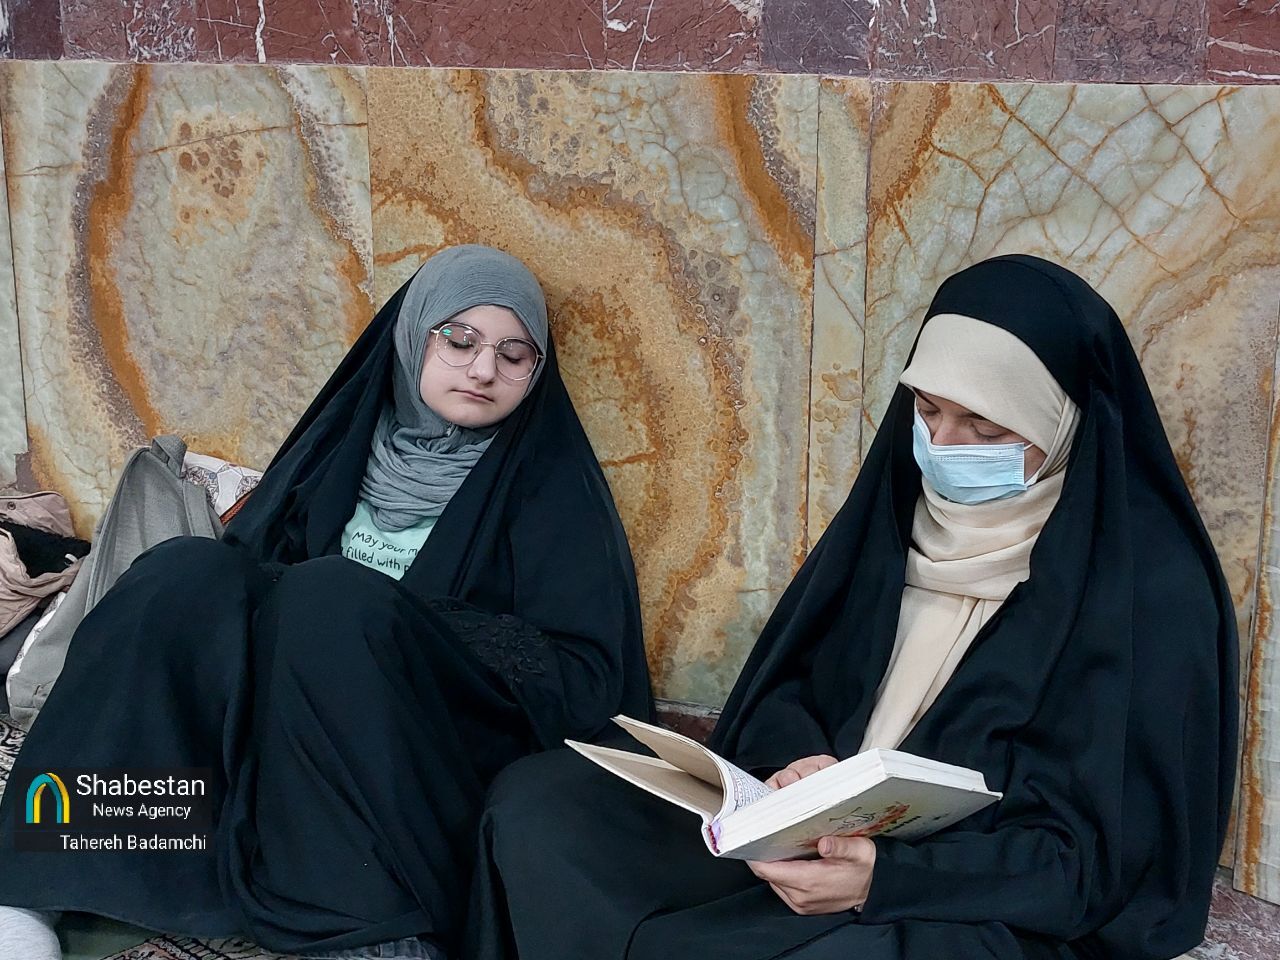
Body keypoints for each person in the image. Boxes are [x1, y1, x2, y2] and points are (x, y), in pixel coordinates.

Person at [465, 254, 1237, 960]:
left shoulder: (1148, 597)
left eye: (985, 427)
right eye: (927, 410)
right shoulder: (895, 519)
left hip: (964, 899)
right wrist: (797, 767)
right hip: (808, 848)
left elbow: (1104, 859)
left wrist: (886, 880)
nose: (944, 445)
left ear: (1064, 424)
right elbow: (787, 691)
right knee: (543, 805)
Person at [0, 245, 653, 960]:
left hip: (425, 751)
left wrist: (393, 624)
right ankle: (36, 885)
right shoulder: (342, 444)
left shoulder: (549, 487)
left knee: (331, 596)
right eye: (460, 340)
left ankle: (371, 930)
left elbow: (585, 678)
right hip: (289, 723)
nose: (482, 370)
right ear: (413, 336)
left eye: (513, 354)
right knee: (181, 572)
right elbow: (246, 575)